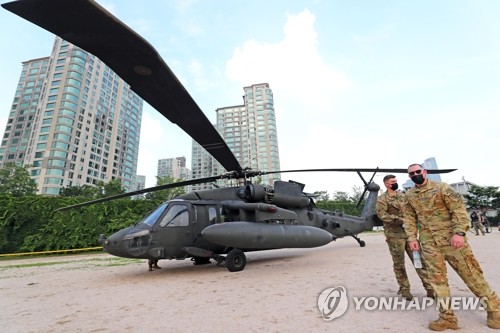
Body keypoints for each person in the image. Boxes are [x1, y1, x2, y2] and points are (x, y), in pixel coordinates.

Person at [404, 163, 500, 331]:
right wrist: (412, 237)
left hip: (453, 242)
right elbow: (409, 218)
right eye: (411, 174)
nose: (415, 175)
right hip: (429, 244)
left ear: (424, 172)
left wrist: (459, 233)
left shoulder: (443, 188)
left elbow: (458, 211)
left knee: (473, 276)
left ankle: (496, 312)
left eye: (418, 171)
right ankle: (447, 318)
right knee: (437, 282)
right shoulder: (409, 195)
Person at [376, 174, 434, 300]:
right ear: (386, 184)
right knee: (399, 264)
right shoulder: (382, 199)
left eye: (396, 181)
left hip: (409, 235)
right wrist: (400, 220)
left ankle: (430, 288)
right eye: (393, 181)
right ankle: (405, 289)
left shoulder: (404, 196)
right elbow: (382, 215)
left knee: (419, 261)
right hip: (394, 236)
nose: (395, 183)